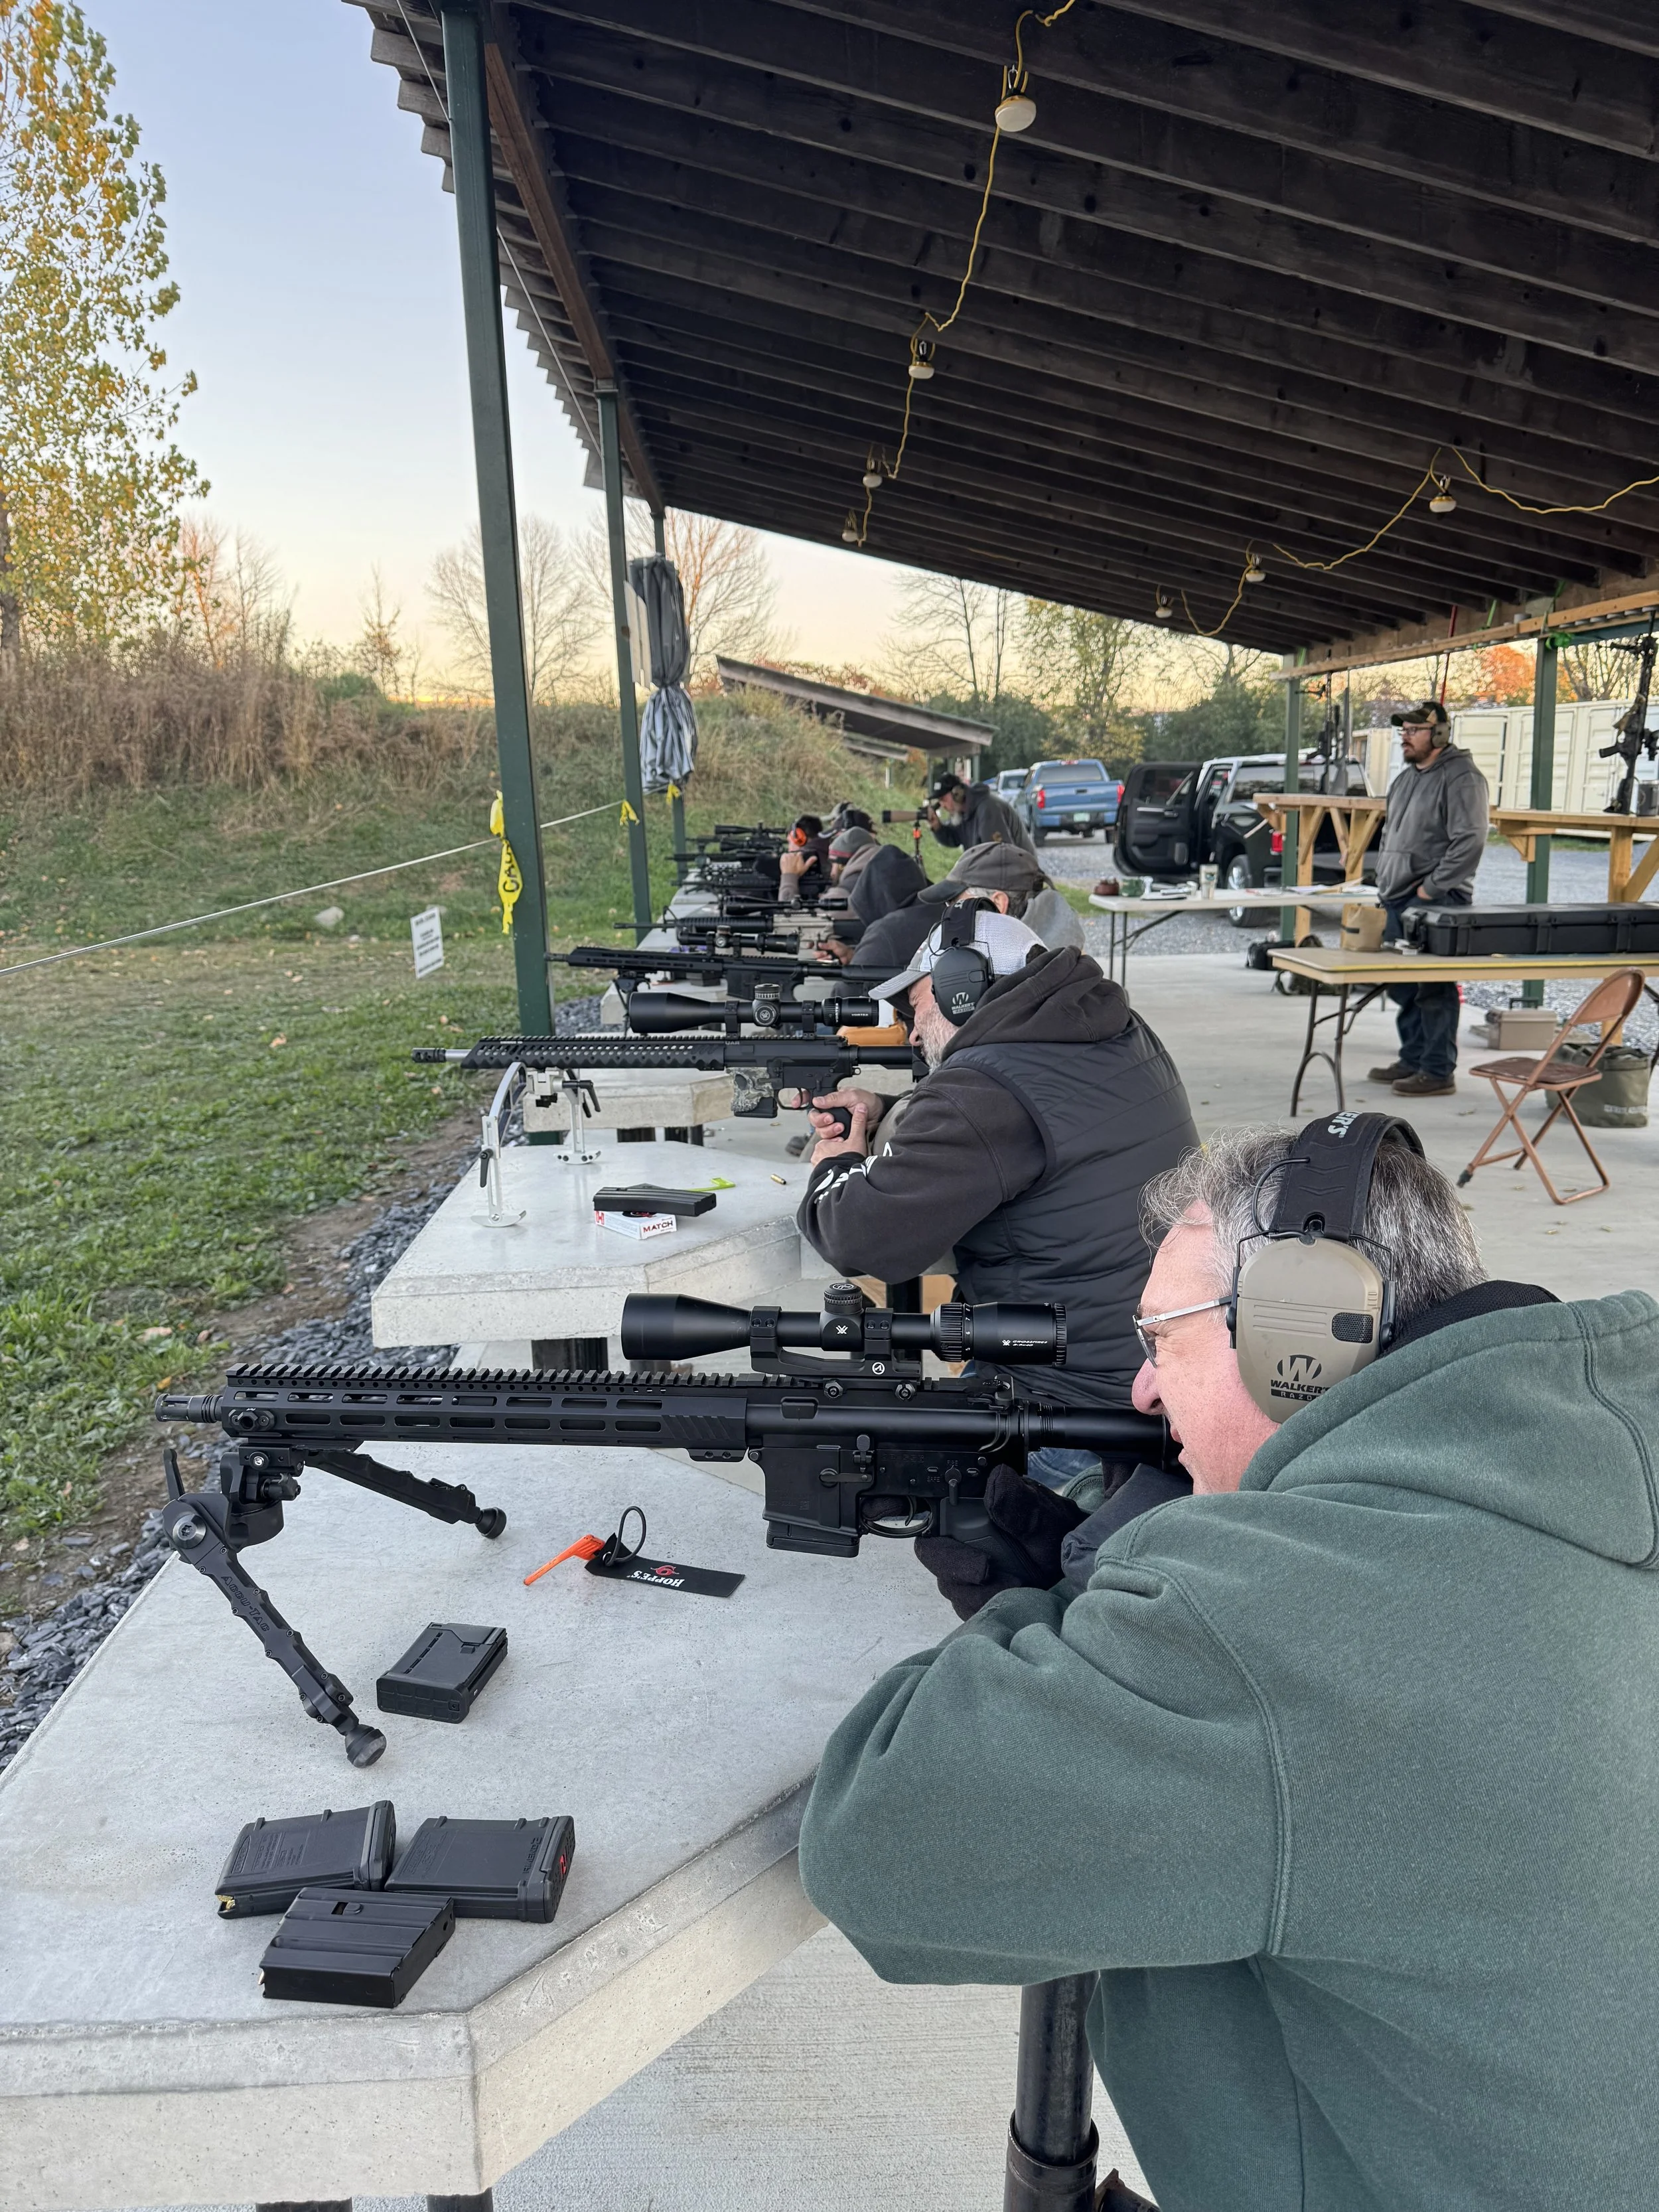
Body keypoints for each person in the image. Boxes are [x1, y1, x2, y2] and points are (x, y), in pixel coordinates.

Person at [798, 1119, 1659, 2211]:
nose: (1145, 1393)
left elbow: (877, 1846)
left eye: (1163, 1339)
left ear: (1306, 1340)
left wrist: (1073, 1596)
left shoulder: (1285, 1619)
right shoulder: (1597, 1460)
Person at [798, 907, 1197, 1489]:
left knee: (854, 1457)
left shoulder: (985, 1089)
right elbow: (1017, 1118)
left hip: (1065, 1411)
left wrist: (837, 1164)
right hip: (1156, 1381)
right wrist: (887, 1108)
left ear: (964, 987)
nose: (911, 1031)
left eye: (919, 1005)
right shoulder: (1116, 1029)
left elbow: (855, 1236)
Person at [1370, 699, 1489, 1097]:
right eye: (1403, 731)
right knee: (1402, 984)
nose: (1405, 737)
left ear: (1439, 733)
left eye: (1414, 730)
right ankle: (1414, 1057)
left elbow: (1470, 839)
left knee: (1434, 987)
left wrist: (1430, 888)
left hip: (1437, 900)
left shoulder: (1461, 776)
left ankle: (1438, 1070)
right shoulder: (1405, 779)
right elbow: (1391, 837)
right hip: (1398, 896)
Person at [916, 839, 1085, 950]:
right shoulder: (1064, 950)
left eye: (955, 903)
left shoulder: (1010, 971)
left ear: (997, 904)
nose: (949, 911)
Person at [926, 770, 1035, 855]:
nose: (942, 805)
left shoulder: (988, 809)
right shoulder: (965, 812)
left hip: (1020, 876)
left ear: (957, 794)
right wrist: (937, 827)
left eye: (943, 800)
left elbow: (1000, 855)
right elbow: (955, 838)